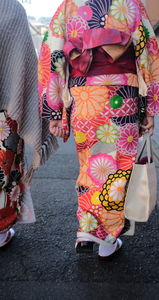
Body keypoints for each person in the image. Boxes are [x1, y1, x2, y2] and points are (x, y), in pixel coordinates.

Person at [38, 0, 159, 259]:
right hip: (122, 95)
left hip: (85, 98)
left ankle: (88, 227)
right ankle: (108, 237)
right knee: (118, 166)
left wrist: (56, 111)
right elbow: (147, 52)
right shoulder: (131, 3)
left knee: (90, 164)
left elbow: (53, 54)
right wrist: (148, 108)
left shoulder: (69, 5)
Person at [0, 0, 58, 247]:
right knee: (4, 169)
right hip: (5, 111)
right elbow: (23, 65)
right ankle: (0, 232)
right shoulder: (11, 8)